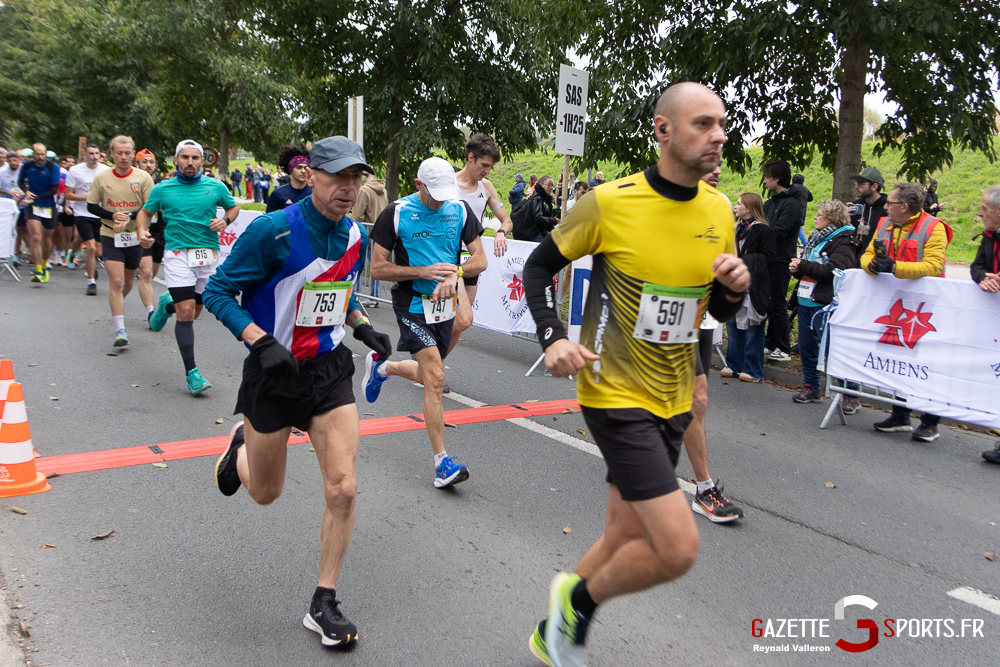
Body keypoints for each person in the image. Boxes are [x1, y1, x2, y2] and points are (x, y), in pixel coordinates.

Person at [522, 82, 748, 667]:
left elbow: (714, 311)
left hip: (674, 396)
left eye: (722, 124)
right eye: (703, 123)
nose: (719, 135)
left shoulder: (718, 210)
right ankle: (577, 606)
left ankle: (551, 632)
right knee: (677, 548)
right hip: (615, 392)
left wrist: (732, 290)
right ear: (663, 130)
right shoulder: (609, 203)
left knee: (624, 534)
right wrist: (553, 337)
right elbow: (538, 266)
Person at [203, 136, 392, 649]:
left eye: (355, 178)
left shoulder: (354, 234)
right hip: (273, 372)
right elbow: (217, 291)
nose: (347, 187)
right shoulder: (273, 231)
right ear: (311, 175)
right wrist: (259, 341)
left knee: (344, 487)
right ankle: (240, 447)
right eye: (337, 176)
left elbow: (339, 292)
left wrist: (362, 326)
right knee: (266, 493)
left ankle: (323, 601)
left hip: (328, 370)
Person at [364, 156, 487, 488]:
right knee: (436, 376)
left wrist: (456, 271)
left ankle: (383, 369)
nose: (441, 201)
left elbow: (480, 260)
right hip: (412, 304)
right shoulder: (397, 213)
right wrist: (422, 271)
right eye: (434, 194)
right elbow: (377, 268)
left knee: (430, 374)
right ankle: (442, 463)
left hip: (446, 303)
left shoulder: (459, 209)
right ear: (418, 185)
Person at [138, 140, 240, 395]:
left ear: (202, 161)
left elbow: (233, 207)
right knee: (185, 312)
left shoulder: (215, 186)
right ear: (176, 160)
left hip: (208, 255)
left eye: (195, 158)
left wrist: (225, 220)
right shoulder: (163, 189)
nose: (190, 162)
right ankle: (192, 373)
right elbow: (145, 212)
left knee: (194, 311)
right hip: (177, 254)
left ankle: (166, 305)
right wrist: (141, 230)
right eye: (185, 157)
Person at [860, 182, 953, 442]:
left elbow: (934, 265)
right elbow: (867, 255)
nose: (885, 207)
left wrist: (894, 268)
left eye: (890, 203)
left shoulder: (934, 227)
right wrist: (872, 266)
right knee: (899, 359)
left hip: (926, 307)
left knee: (926, 363)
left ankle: (930, 422)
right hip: (896, 303)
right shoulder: (884, 223)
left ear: (904, 206)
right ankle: (900, 415)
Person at [685, 169, 743, 524]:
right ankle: (705, 488)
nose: (717, 168)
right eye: (709, 158)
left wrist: (732, 285)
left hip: (703, 315)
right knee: (696, 396)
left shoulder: (721, 204)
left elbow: (727, 263)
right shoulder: (658, 199)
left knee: (695, 401)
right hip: (666, 315)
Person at [448, 133, 514, 359]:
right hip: (448, 256)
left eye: (490, 167)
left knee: (461, 323)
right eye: (484, 165)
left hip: (473, 260)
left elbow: (507, 220)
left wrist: (501, 233)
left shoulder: (485, 187)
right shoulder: (448, 184)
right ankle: (430, 366)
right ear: (470, 158)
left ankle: (433, 364)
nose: (487, 171)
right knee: (455, 317)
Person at [85, 137, 155, 346]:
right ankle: (120, 330)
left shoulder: (143, 177)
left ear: (133, 154)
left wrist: (128, 217)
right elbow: (91, 206)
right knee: (116, 282)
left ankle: (118, 304)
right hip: (110, 234)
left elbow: (150, 207)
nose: (123, 157)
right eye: (119, 153)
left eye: (127, 153)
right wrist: (112, 215)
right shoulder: (102, 177)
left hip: (135, 235)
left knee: (127, 282)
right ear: (112, 154)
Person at [789, 200, 861, 405]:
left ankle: (850, 394)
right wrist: (797, 268)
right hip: (806, 299)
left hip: (825, 303)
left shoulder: (844, 240)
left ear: (831, 218)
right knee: (806, 347)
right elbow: (809, 266)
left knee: (832, 349)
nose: (815, 217)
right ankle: (811, 387)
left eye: (819, 214)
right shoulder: (817, 236)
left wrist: (804, 265)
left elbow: (836, 270)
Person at [723, 193, 774, 383]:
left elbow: (770, 258)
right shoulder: (735, 228)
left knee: (753, 327)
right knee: (733, 325)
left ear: (750, 208)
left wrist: (746, 259)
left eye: (739, 204)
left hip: (754, 285)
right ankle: (733, 364)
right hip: (734, 283)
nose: (735, 207)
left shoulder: (764, 230)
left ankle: (753, 369)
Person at [761, 160, 801, 361]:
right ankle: (770, 343)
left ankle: (784, 348)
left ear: (777, 178)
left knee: (777, 303)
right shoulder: (769, 203)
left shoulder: (792, 204)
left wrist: (760, 234)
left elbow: (780, 231)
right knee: (769, 303)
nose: (764, 181)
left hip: (781, 259)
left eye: (767, 177)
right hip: (767, 258)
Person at [972, 186, 1000, 464]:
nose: (980, 213)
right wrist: (984, 278)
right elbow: (976, 266)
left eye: (985, 209)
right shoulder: (990, 236)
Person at [64, 143, 110, 295]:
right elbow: (68, 194)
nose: (94, 157)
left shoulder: (105, 170)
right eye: (91, 153)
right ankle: (91, 282)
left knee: (98, 251)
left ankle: (87, 264)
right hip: (82, 214)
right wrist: (88, 198)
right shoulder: (75, 170)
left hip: (100, 214)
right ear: (84, 155)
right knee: (90, 247)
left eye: (97, 153)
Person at [17, 143, 61, 283]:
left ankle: (44, 263)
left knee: (47, 238)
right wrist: (26, 191)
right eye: (38, 154)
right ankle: (38, 270)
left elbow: (54, 189)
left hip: (48, 206)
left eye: (43, 154)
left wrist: (35, 198)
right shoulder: (27, 166)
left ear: (46, 154)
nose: (40, 157)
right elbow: (20, 181)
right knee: (36, 237)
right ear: (33, 154)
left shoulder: (52, 166)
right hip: (32, 206)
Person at [136, 149, 167, 280]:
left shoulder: (164, 183)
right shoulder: (133, 180)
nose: (148, 165)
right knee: (146, 272)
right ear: (137, 164)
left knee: (151, 274)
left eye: (151, 162)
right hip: (140, 228)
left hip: (159, 230)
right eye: (144, 162)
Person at [848, 166, 887, 256]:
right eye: (857, 183)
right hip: (855, 257)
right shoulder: (856, 206)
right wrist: (846, 218)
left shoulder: (887, 207)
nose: (857, 186)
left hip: (877, 257)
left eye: (861, 184)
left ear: (874, 186)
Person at [266, 144, 312, 213]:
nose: (303, 171)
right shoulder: (278, 194)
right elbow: (269, 218)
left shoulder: (315, 193)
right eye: (299, 168)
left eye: (305, 168)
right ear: (291, 170)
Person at [512, 175, 559, 242]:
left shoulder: (544, 198)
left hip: (538, 232)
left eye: (552, 185)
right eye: (549, 185)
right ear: (541, 185)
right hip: (535, 234)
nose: (551, 188)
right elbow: (538, 218)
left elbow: (545, 213)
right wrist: (554, 220)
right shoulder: (537, 198)